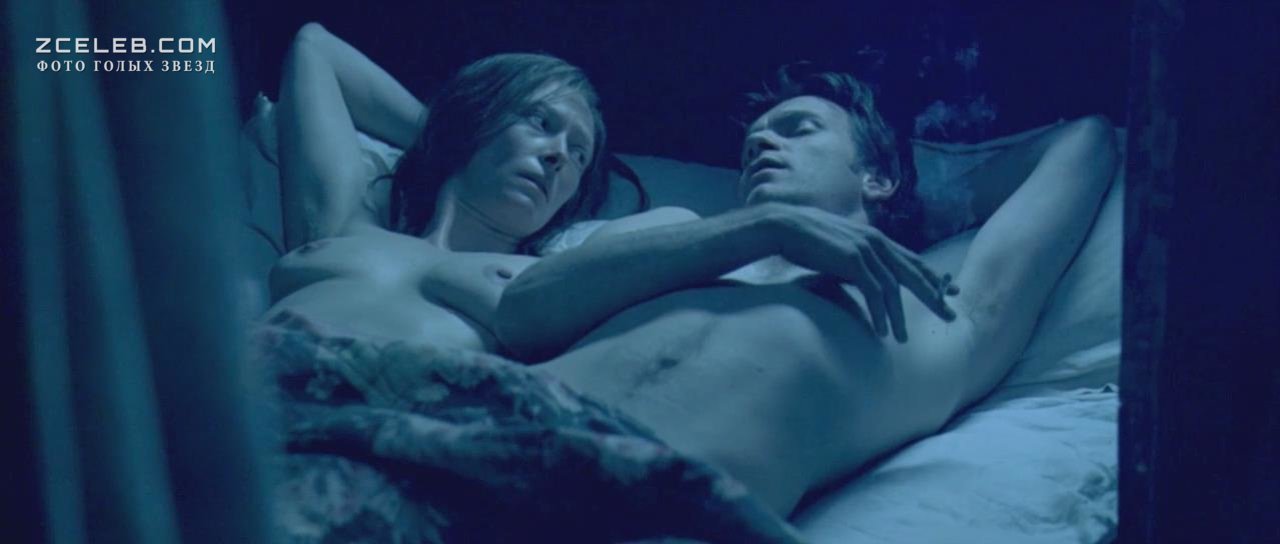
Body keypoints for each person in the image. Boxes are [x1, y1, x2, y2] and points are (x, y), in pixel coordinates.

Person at [497, 64, 1120, 515]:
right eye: (751, 146)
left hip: (646, 513)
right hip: (486, 434)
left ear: (877, 174)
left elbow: (1086, 141)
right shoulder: (675, 235)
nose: (762, 144)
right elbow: (520, 315)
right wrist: (764, 228)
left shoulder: (937, 309)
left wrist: (908, 185)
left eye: (798, 129)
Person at [266, 23, 609, 351]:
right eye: (541, 122)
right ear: (476, 120)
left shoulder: (546, 280)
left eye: (579, 155)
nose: (559, 155)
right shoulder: (346, 223)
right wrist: (446, 139)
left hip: (414, 388)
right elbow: (316, 47)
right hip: (263, 374)